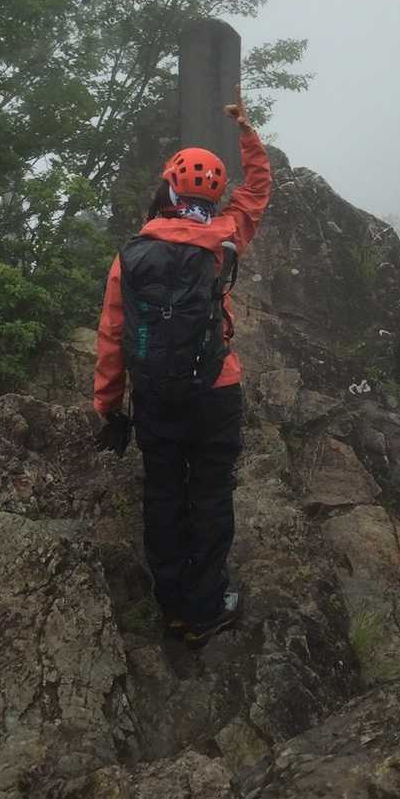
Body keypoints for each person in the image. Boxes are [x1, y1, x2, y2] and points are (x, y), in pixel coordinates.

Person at [93, 86, 271, 645]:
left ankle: (171, 605)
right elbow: (258, 190)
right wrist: (247, 132)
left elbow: (113, 335)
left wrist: (108, 405)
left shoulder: (132, 254)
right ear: (215, 193)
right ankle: (206, 605)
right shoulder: (225, 238)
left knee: (164, 492)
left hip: (155, 393)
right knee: (211, 494)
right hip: (216, 389)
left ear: (169, 187)